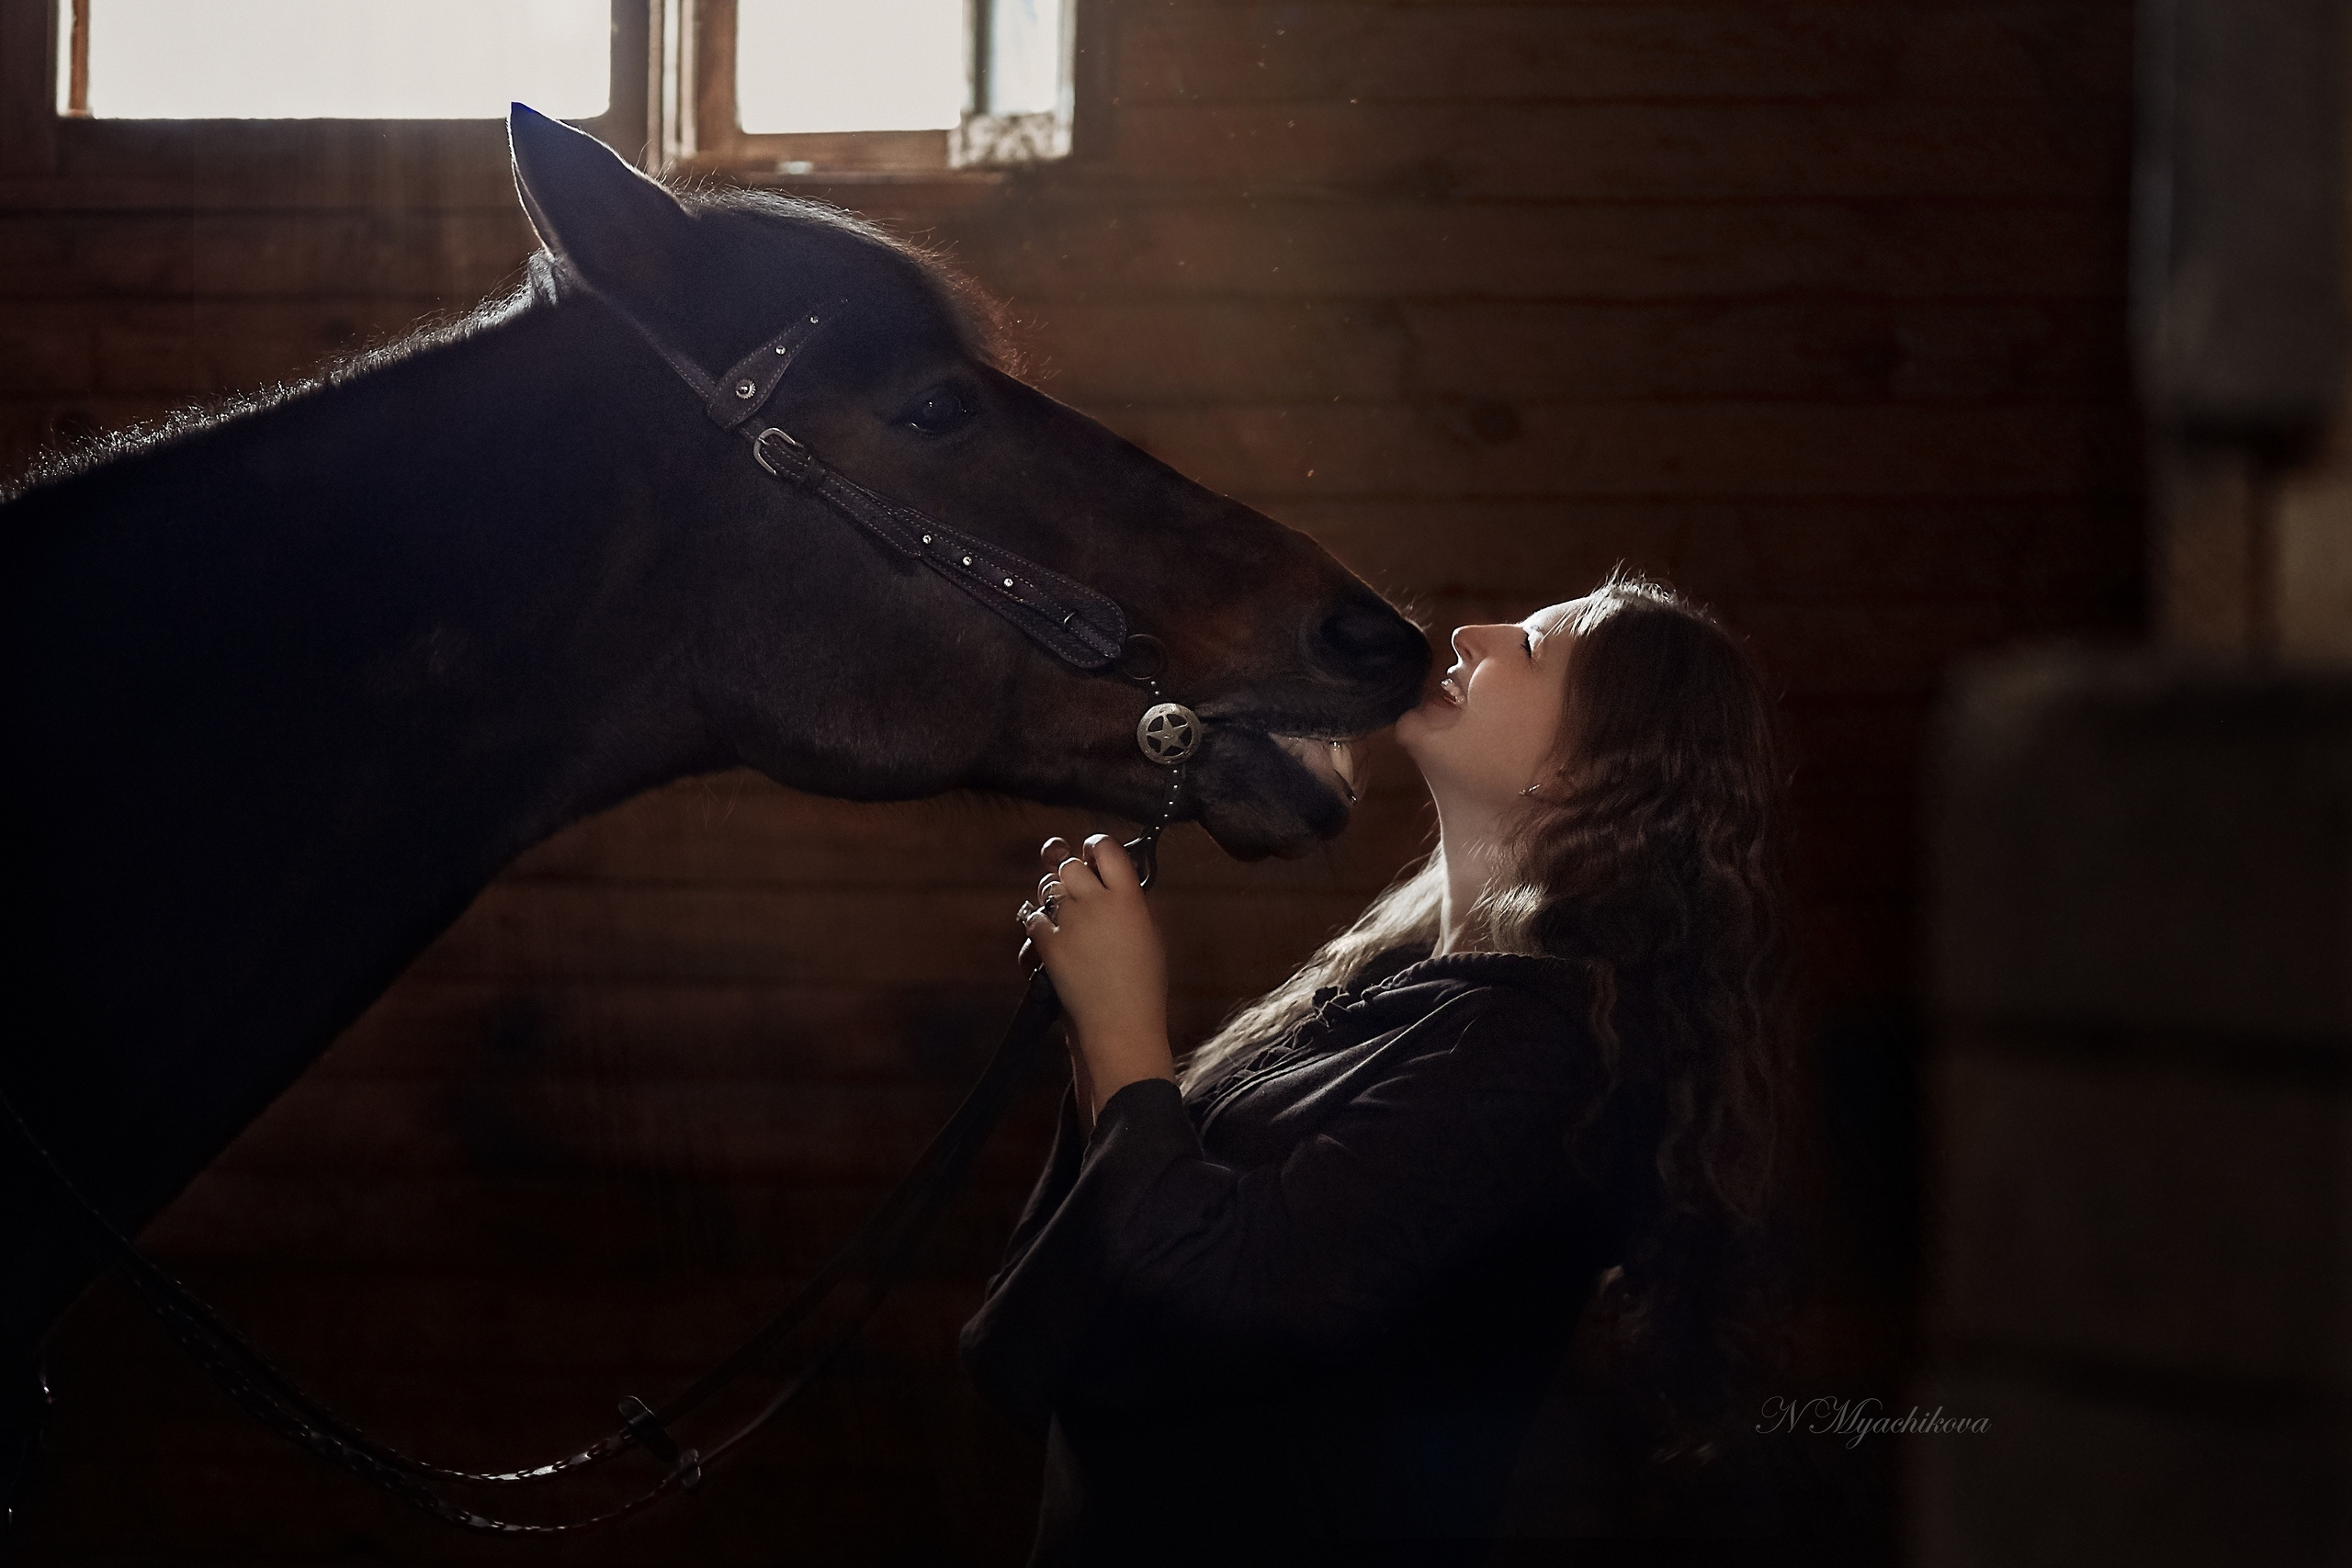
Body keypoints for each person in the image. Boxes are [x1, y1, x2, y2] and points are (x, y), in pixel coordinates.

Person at [960, 572, 1791, 1562]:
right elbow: (1101, 1287)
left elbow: (1233, 1305)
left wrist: (1121, 1022)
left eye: (1527, 648)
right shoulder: (1401, 995)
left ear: (1583, 771)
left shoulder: (1534, 1055)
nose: (1472, 633)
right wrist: (1099, 1031)